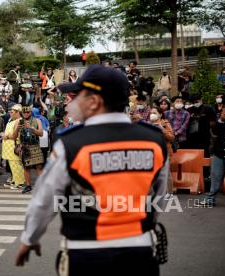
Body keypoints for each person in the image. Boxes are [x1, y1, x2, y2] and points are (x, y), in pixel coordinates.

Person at [15, 65, 168, 275]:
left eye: (78, 96)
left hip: (86, 254)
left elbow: (45, 200)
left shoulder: (71, 142)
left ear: (94, 101)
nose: (72, 101)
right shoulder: (153, 139)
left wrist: (29, 238)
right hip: (139, 253)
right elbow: (158, 197)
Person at [13, 106, 44, 194]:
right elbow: (14, 137)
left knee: (39, 166)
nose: (26, 114)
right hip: (25, 146)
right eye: (24, 113)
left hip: (35, 145)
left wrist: (31, 128)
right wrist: (17, 129)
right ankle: (28, 185)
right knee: (26, 167)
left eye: (28, 112)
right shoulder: (18, 121)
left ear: (31, 112)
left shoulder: (37, 120)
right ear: (21, 113)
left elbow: (41, 133)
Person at [148, 107, 175, 200]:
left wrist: (161, 129)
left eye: (154, 113)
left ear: (160, 114)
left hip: (165, 150)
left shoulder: (165, 123)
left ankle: (170, 192)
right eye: (151, 113)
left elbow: (171, 137)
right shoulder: (148, 124)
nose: (152, 114)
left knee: (166, 172)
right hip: (152, 150)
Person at [2, 104, 25, 190]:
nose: (10, 114)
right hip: (9, 147)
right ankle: (15, 181)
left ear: (17, 112)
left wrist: (6, 136)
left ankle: (20, 183)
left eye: (12, 112)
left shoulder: (20, 121)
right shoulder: (11, 120)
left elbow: (15, 136)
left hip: (15, 146)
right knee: (13, 165)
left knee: (17, 165)